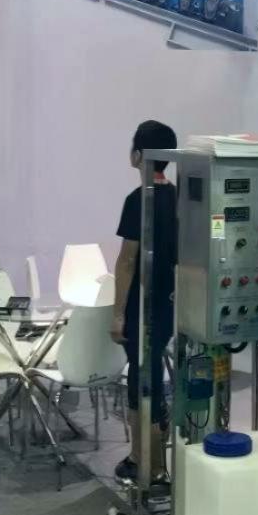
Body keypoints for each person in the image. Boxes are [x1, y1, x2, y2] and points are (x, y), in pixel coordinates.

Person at [110, 119, 177, 481]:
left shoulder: (138, 200)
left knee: (142, 382)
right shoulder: (180, 197)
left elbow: (127, 261)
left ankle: (145, 463)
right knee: (153, 376)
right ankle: (155, 460)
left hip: (142, 307)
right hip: (171, 303)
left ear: (137, 155)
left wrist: (118, 314)